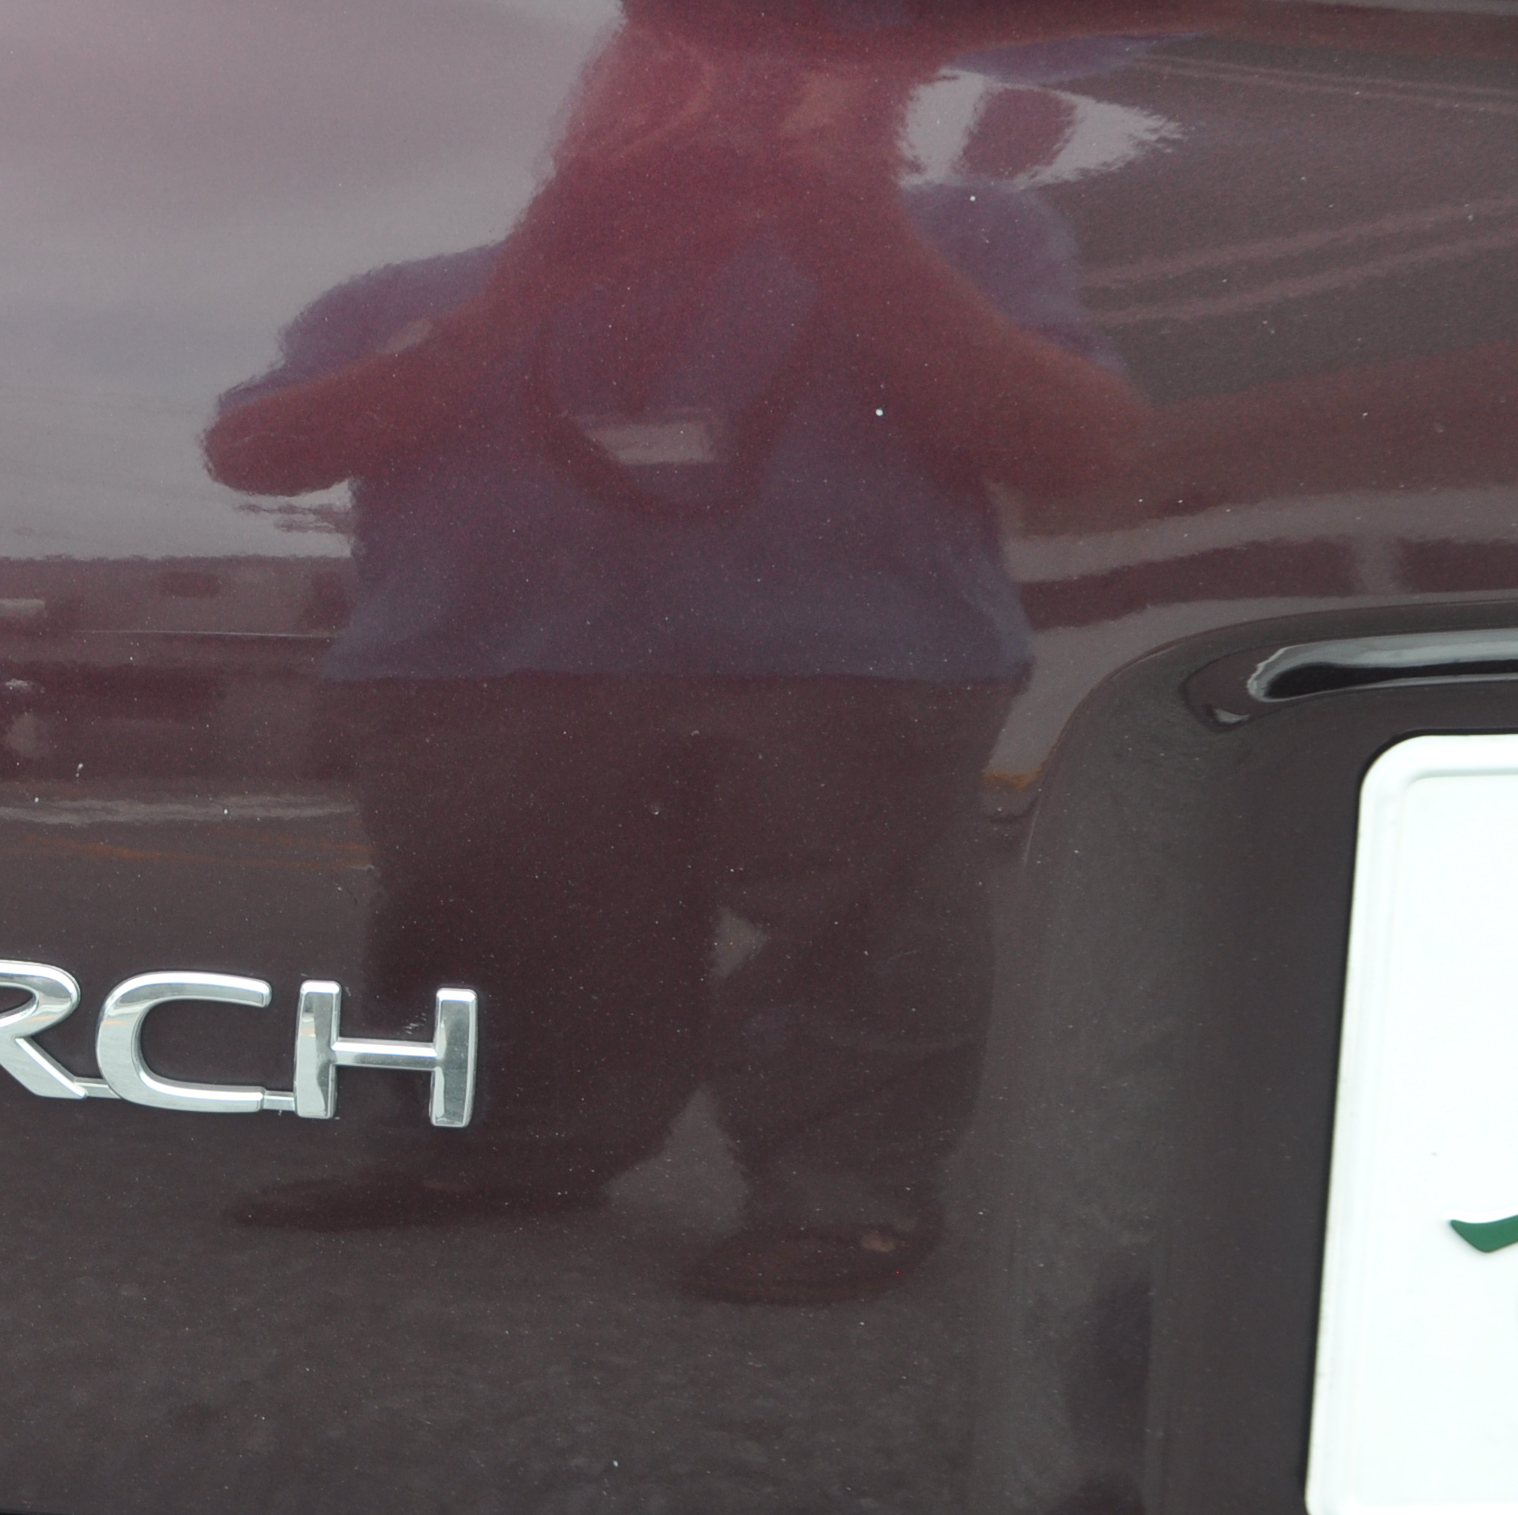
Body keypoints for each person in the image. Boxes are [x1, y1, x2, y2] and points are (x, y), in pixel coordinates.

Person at [212, 0, 1145, 1304]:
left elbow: (1078, 450)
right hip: (485, 663)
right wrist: (525, 291)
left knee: (859, 944)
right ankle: (491, 1154)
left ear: (875, 116)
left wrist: (851, 232)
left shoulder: (968, 232)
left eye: (779, 83)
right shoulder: (407, 293)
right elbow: (255, 453)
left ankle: (843, 1199)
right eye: (671, 74)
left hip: (848, 659)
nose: (721, 107)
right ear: (590, 108)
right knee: (491, 931)